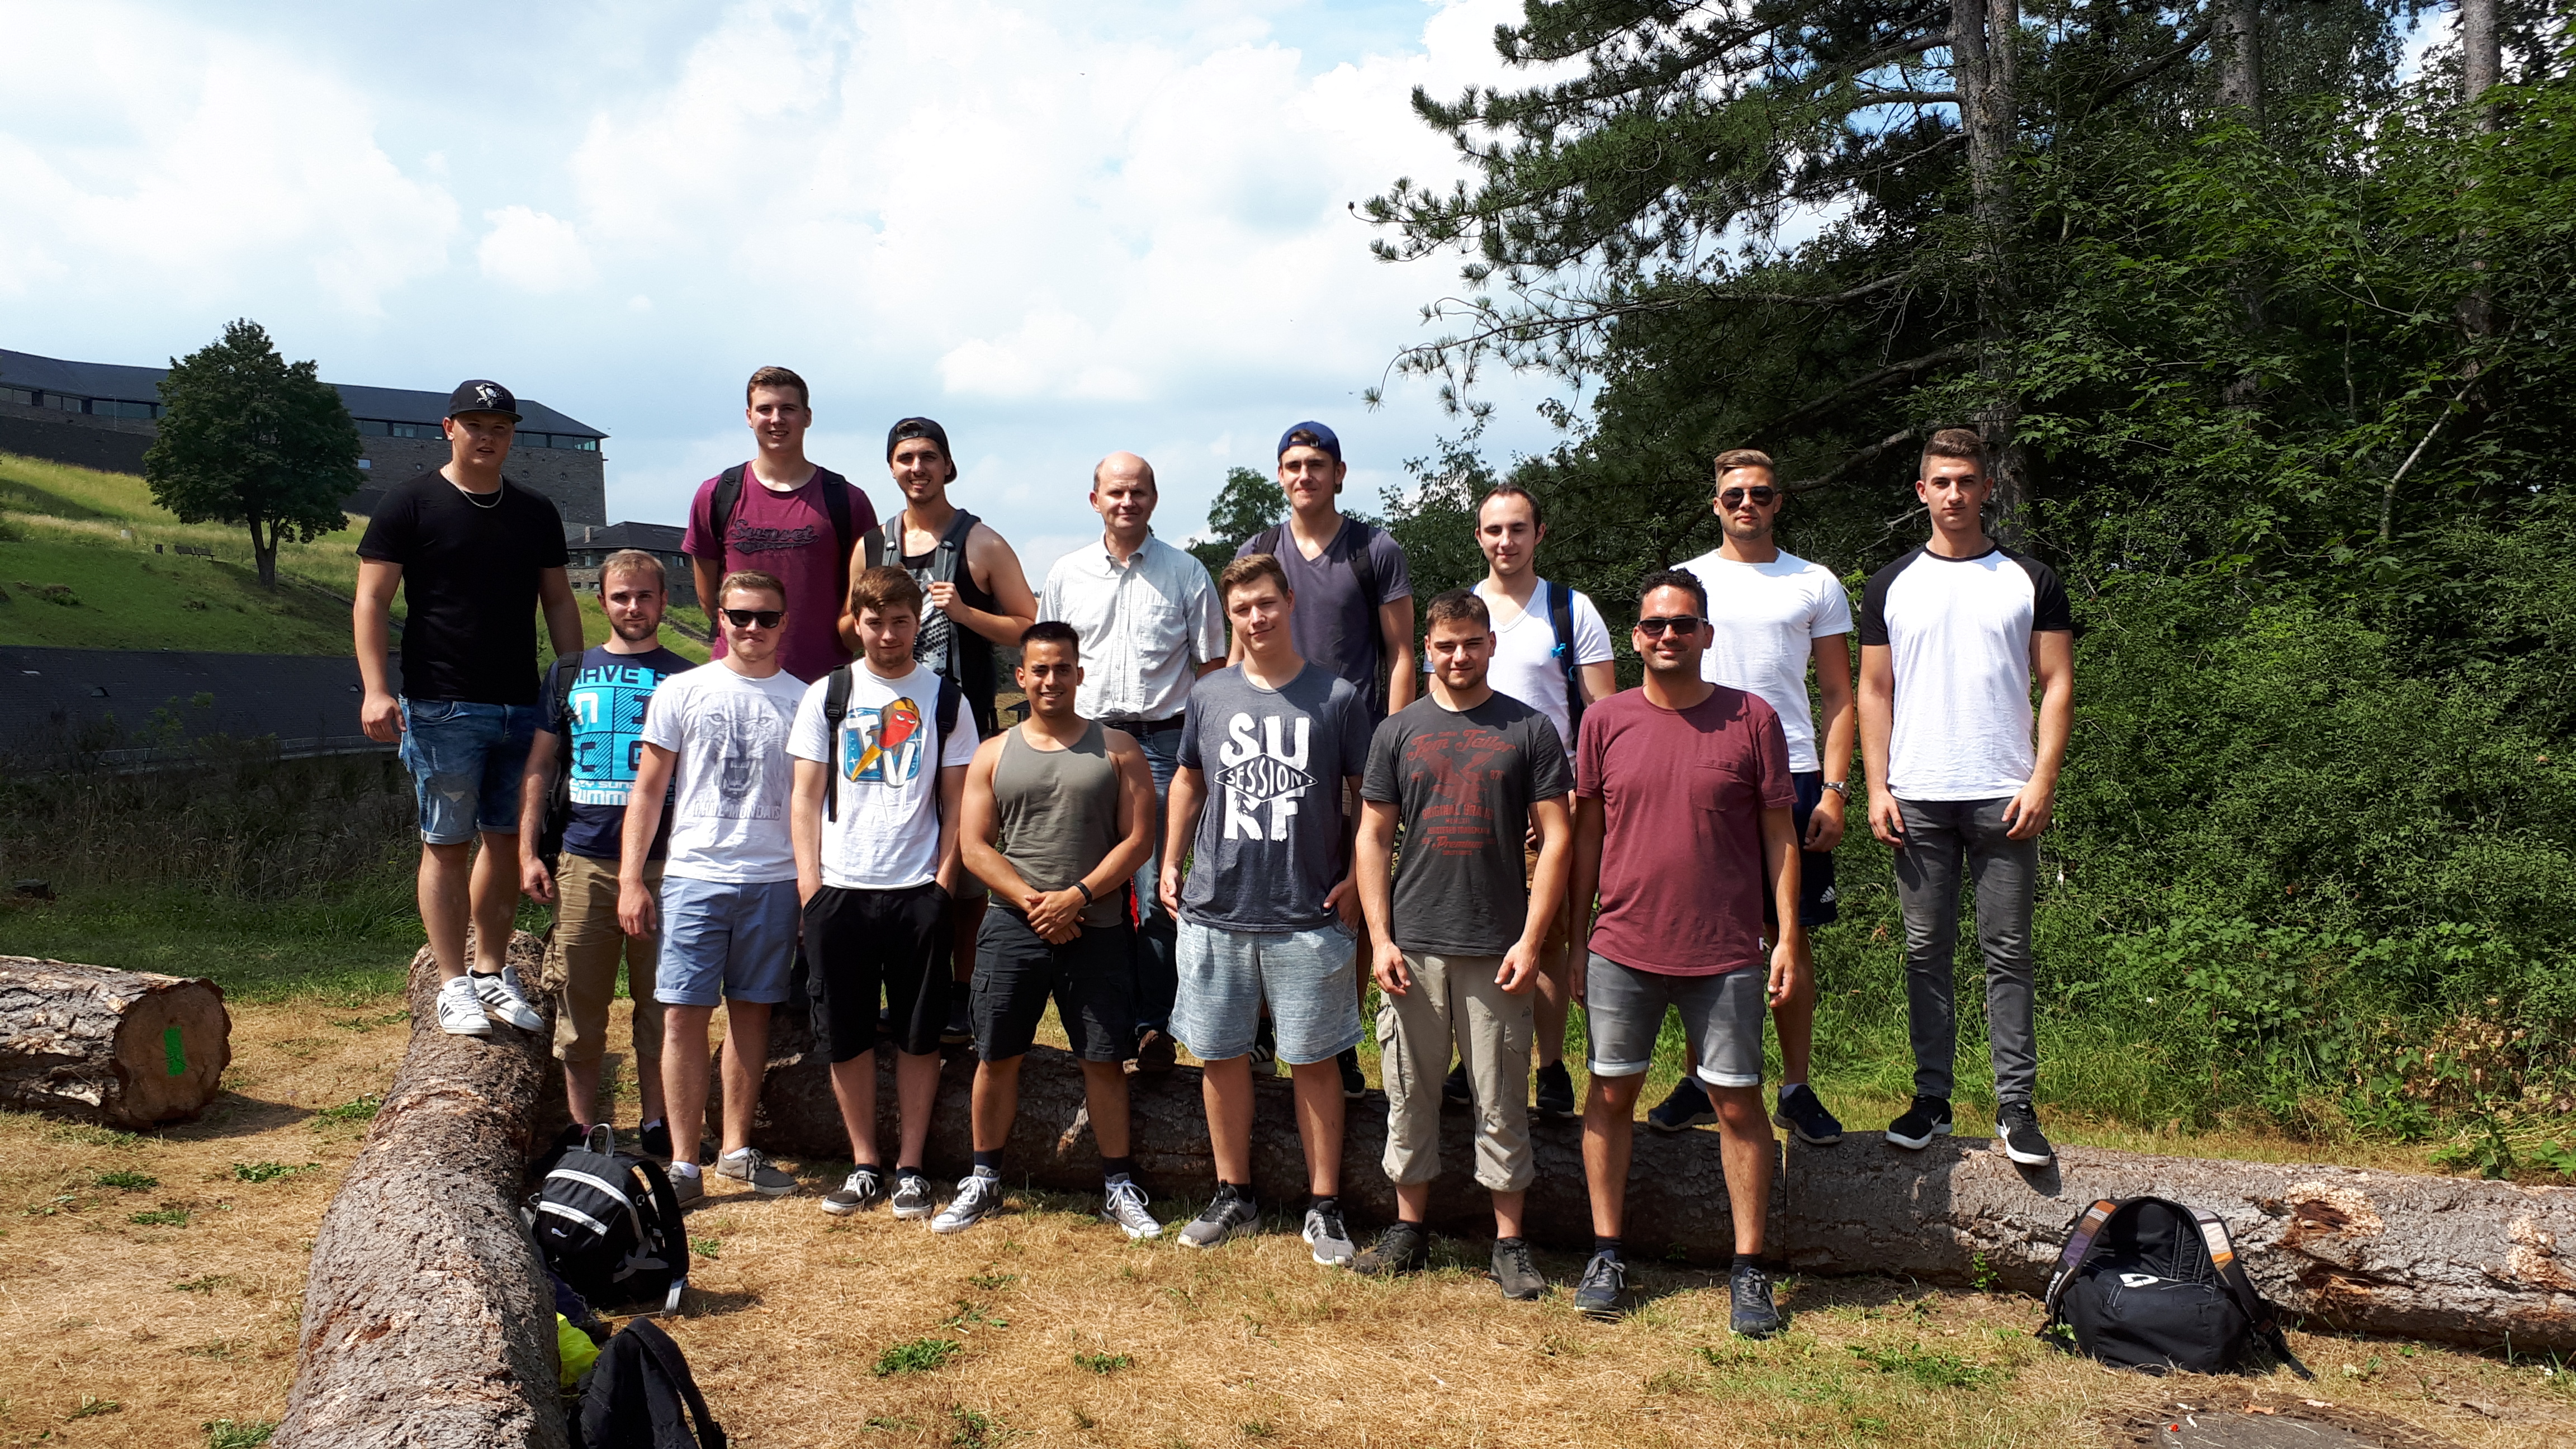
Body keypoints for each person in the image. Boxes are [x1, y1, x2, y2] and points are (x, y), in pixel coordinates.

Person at [1569, 569, 1800, 1337]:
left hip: (1726, 948)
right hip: (1622, 945)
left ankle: (1749, 1269)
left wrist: (1788, 936)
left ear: (1706, 634)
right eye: (1654, 625)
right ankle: (1606, 1254)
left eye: (1683, 624)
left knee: (1736, 1102)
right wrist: (1576, 940)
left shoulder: (1753, 719)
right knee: (1609, 1094)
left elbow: (1779, 836)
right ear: (1635, 637)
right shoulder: (1604, 722)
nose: (1668, 635)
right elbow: (1589, 838)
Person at [1857, 428, 2075, 1168]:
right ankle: (1932, 1101)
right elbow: (1874, 690)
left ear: (1987, 489)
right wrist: (1876, 785)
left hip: (2003, 796)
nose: (1954, 494)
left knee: (2008, 952)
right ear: (1922, 492)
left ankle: (2016, 1107)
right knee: (1925, 953)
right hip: (1917, 795)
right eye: (1940, 482)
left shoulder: (2030, 579)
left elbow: (2058, 685)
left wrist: (2043, 778)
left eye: (1967, 482)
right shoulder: (1889, 584)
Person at [1351, 590, 1569, 1300]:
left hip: (1496, 944)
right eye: (1445, 646)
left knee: (1502, 1094)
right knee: (1409, 1092)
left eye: (1471, 643)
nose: (1458, 657)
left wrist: (1533, 942)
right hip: (1412, 944)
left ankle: (1510, 1242)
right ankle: (1408, 1227)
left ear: (1490, 645)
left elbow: (1558, 838)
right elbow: (1375, 836)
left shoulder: (1530, 731)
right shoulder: (1398, 731)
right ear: (1429, 647)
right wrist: (1379, 938)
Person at [1162, 554, 1372, 1263]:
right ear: (1231, 615)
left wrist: (1358, 879)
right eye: (1242, 608)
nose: (1256, 618)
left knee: (1314, 1061)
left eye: (1267, 603)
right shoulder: (1209, 694)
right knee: (1221, 1056)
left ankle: (1324, 1205)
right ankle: (1235, 1194)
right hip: (1218, 907)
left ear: (1289, 601)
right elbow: (1188, 779)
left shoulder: (1337, 698)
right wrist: (1170, 859)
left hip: (1306, 913)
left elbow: (1368, 799)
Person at [355, 379, 580, 1038]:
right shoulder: (411, 503)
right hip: (440, 703)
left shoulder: (536, 511)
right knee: (447, 844)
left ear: (512, 436)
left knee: (508, 843)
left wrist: (575, 685)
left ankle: (491, 971)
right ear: (449, 428)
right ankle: (452, 983)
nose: (488, 437)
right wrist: (374, 688)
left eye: (501, 427)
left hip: (522, 704)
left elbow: (560, 602)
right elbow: (371, 601)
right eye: (476, 424)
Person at [1650, 449, 1856, 1147]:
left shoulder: (1815, 582)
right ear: (1716, 503)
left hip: (1793, 774)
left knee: (1790, 936)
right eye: (1734, 494)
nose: (1747, 504)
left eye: (1761, 494)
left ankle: (1795, 1087)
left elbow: (1838, 696)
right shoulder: (1689, 583)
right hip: (1703, 771)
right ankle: (1701, 1080)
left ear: (1777, 502)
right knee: (1699, 935)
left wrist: (1833, 790)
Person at [944, 621, 1163, 1237]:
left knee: (1102, 1060)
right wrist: (1036, 903)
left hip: (1095, 928)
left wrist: (1078, 897)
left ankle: (1119, 1185)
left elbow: (1139, 840)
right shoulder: (994, 752)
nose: (1050, 679)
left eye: (1061, 668)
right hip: (1012, 927)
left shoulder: (1117, 749)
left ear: (1079, 673)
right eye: (1038, 669)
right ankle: (984, 1178)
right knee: (997, 1055)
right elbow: (973, 846)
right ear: (1021, 676)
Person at [786, 566, 978, 1220]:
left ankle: (912, 1168)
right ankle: (865, 1162)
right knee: (848, 1033)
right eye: (876, 622)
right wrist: (811, 889)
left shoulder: (946, 699)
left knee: (920, 1034)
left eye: (902, 621)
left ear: (918, 621)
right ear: (857, 622)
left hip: (917, 888)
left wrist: (944, 886)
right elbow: (804, 798)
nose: (889, 635)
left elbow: (959, 808)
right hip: (840, 889)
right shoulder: (828, 695)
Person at [1231, 422, 1416, 1098]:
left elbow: (1402, 653)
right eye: (1291, 465)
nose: (1303, 476)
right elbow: (1238, 647)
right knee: (1259, 878)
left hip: (1349, 748)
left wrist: (1393, 742)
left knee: (1350, 895)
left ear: (1339, 473)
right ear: (1279, 476)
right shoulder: (1260, 548)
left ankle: (1339, 1034)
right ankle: (1258, 1027)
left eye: (1316, 465)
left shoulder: (1375, 549)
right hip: (1268, 745)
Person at [618, 571, 808, 1205]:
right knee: (682, 1018)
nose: (752, 628)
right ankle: (682, 1163)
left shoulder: (807, 700)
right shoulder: (681, 691)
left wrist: (813, 886)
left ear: (786, 622)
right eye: (740, 616)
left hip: (774, 877)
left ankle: (735, 1150)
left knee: (752, 1016)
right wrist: (630, 879)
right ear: (719, 619)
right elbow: (647, 791)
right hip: (695, 875)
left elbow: (816, 802)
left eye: (766, 617)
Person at [849, 417, 1039, 1046]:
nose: (917, 468)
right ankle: (893, 992)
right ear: (893, 468)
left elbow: (1029, 627)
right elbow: (845, 627)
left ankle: (961, 992)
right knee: (887, 857)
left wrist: (963, 612)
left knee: (963, 862)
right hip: (884, 732)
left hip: (963, 728)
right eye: (904, 458)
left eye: (928, 456)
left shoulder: (979, 542)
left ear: (948, 466)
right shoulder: (871, 544)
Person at [1037, 453, 1225, 1076]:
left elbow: (1213, 669)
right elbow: (1049, 660)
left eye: (1139, 491)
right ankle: (1099, 1022)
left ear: (1154, 498)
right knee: (1087, 879)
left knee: (1156, 887)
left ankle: (1152, 1026)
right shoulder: (1066, 574)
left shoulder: (1186, 572)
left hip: (1164, 744)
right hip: (1086, 741)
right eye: (1116, 492)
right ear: (1094, 499)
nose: (1128, 502)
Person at [1436, 484, 1614, 1123]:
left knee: (1547, 938)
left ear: (1541, 533)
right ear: (1479, 537)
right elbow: (1440, 712)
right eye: (1493, 530)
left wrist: (1581, 792)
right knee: (1478, 935)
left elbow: (1601, 716)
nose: (1505, 541)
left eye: (1518, 529)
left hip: (1547, 801)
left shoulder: (1570, 610)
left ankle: (1551, 1064)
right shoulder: (1462, 614)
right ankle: (1473, 1056)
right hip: (1471, 803)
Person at [517, 550, 695, 1153]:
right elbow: (540, 765)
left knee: (662, 1003)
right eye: (622, 597)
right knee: (579, 1003)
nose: (634, 607)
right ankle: (582, 1127)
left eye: (645, 596)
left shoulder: (686, 678)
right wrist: (527, 852)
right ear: (603, 602)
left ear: (663, 603)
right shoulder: (569, 672)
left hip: (664, 865)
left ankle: (655, 1121)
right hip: (583, 858)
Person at [679, 365, 879, 684]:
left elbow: (864, 596)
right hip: (734, 682)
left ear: (807, 416)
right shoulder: (716, 494)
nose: (776, 419)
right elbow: (709, 599)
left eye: (788, 408)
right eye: (765, 409)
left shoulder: (848, 501)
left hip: (822, 684)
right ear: (749, 416)